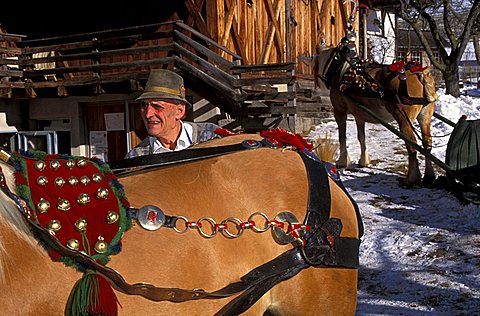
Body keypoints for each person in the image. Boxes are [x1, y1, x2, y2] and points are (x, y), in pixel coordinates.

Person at [125, 69, 221, 158]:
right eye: (144, 105)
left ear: (179, 111)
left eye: (157, 106)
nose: (147, 114)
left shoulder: (211, 136)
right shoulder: (136, 157)